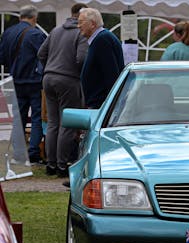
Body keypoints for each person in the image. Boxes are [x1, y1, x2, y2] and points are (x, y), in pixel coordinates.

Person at [37, 3, 88, 177]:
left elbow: (40, 54)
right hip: (68, 79)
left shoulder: (56, 30)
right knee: (66, 124)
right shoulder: (80, 33)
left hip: (48, 78)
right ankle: (61, 165)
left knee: (52, 123)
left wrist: (50, 66)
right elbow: (81, 58)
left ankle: (50, 165)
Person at [0, 5, 46, 165]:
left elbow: (2, 58)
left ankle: (18, 154)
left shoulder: (8, 33)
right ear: (34, 18)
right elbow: (43, 57)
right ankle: (33, 153)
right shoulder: (36, 34)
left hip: (15, 80)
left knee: (17, 118)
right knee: (36, 117)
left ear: (21, 16)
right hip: (34, 81)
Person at [78, 7, 124, 109]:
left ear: (93, 24)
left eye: (81, 22)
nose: (78, 26)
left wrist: (110, 106)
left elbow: (111, 74)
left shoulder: (102, 40)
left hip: (101, 105)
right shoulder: (100, 39)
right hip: (99, 103)